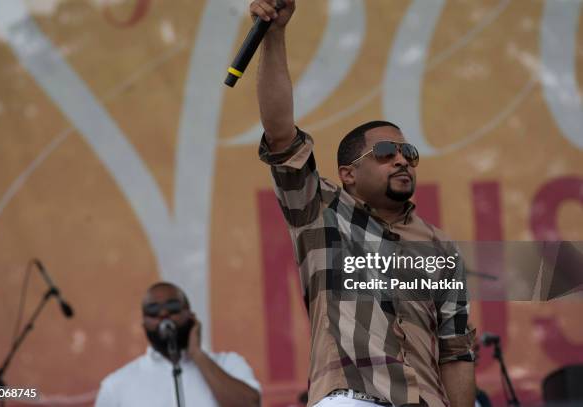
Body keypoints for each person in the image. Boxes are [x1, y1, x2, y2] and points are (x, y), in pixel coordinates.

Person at [251, 0, 476, 406]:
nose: (402, 159)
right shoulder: (321, 212)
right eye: (386, 152)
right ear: (349, 173)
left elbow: (455, 351)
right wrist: (275, 36)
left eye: (408, 152)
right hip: (352, 397)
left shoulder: (441, 249)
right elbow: (281, 135)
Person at [95, 282, 261, 407]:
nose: (164, 314)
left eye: (173, 306)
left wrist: (197, 355)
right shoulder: (116, 386)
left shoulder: (228, 363)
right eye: (153, 310)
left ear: (191, 315)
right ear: (143, 323)